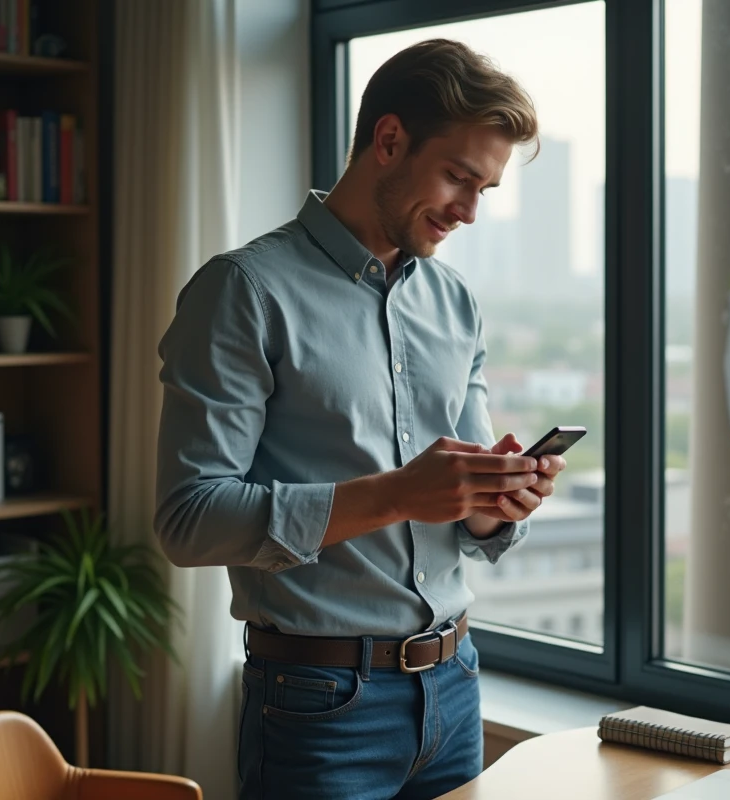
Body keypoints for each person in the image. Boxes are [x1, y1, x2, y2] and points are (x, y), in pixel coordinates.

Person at [154, 38, 566, 800]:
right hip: (319, 706)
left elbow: (458, 511)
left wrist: (496, 498)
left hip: (456, 685)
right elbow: (189, 519)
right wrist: (403, 493)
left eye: (486, 190)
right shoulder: (243, 291)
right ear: (388, 140)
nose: (471, 212)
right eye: (458, 178)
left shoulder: (456, 305)